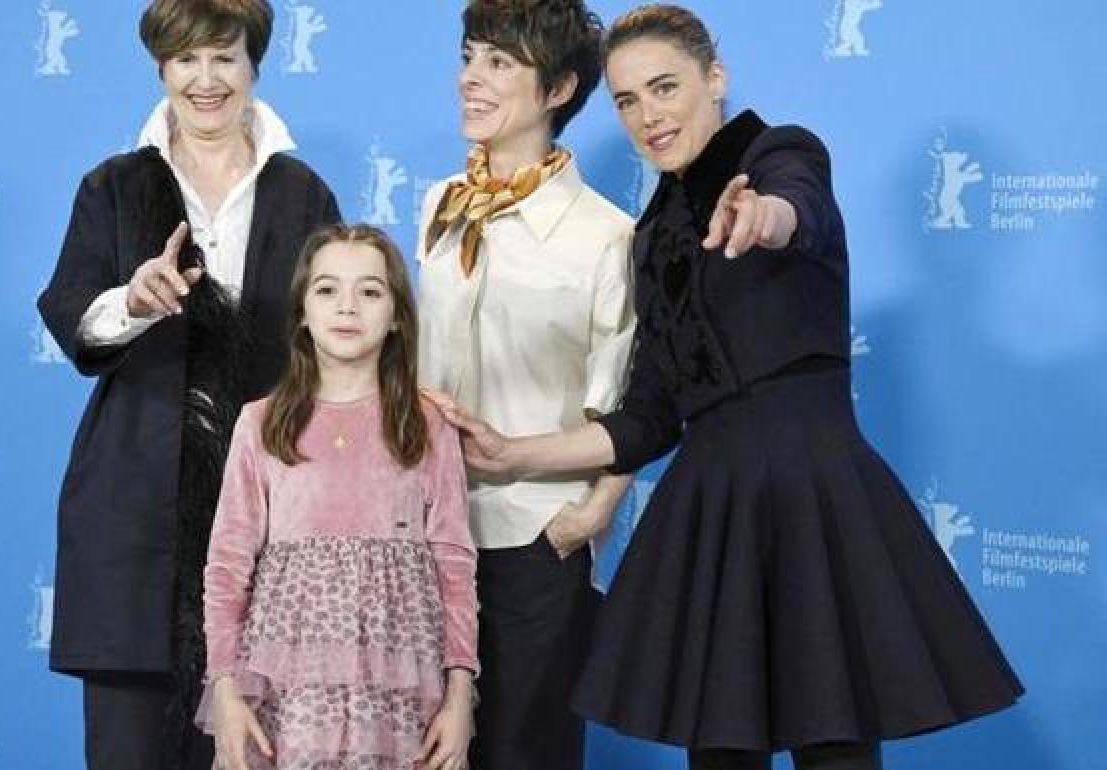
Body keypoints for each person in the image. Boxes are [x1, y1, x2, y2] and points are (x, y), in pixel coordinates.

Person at [431, 5, 1024, 770]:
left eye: (665, 87)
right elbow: (647, 416)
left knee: (835, 744)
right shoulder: (651, 233)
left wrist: (765, 216)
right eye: (628, 101)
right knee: (719, 752)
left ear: (715, 77)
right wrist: (514, 454)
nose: (649, 115)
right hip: (712, 506)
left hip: (812, 492)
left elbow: (797, 203)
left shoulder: (778, 153)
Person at [36, 1, 340, 767]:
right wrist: (132, 304)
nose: (206, 80)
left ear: (255, 65)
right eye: (185, 60)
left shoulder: (303, 193)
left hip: (271, 514)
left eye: (224, 58)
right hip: (134, 513)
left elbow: (337, 337)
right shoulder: (113, 186)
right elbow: (70, 311)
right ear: (161, 67)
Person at [415, 1, 636, 768]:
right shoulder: (441, 204)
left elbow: (625, 409)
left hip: (534, 540)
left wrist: (586, 521)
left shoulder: (606, 237)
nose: (471, 78)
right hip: (425, 535)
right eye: (470, 57)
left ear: (559, 89)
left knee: (522, 752)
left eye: (500, 62)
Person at [195, 224, 477, 770]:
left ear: (397, 316)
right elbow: (227, 566)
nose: (347, 306)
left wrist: (460, 694)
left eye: (370, 291)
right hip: (288, 693)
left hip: (398, 691)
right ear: (302, 311)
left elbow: (455, 566)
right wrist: (225, 689)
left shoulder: (427, 426)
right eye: (327, 289)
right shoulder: (259, 424)